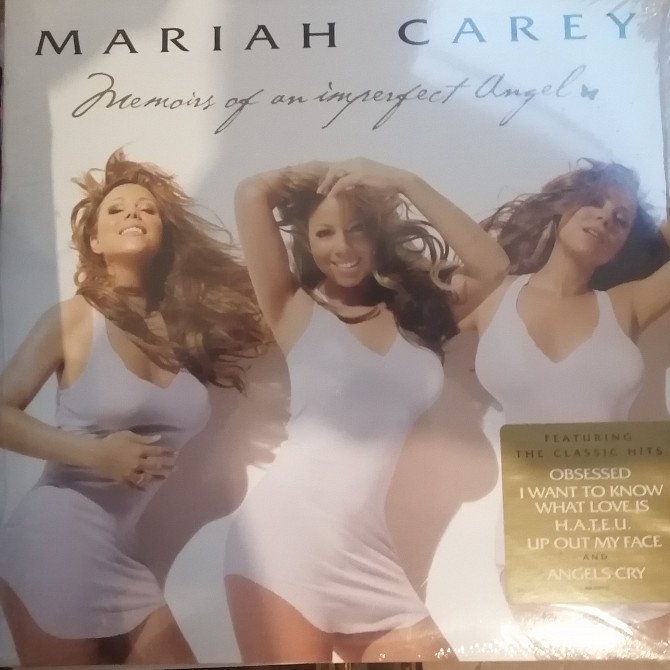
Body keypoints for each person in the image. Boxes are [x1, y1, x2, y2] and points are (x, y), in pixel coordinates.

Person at [223, 157, 510, 663]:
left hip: (370, 558)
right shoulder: (292, 307)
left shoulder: (417, 314)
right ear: (306, 242)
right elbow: (251, 191)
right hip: (281, 545)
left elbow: (492, 267)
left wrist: (405, 180)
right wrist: (320, 174)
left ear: (376, 235)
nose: (343, 247)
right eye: (325, 233)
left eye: (357, 229)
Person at [0, 150, 267, 665]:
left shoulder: (188, 330)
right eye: (117, 209)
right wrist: (96, 454)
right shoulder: (73, 320)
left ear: (162, 235)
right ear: (95, 242)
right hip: (55, 537)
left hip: (121, 550)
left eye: (147, 209)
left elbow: (279, 304)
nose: (134, 215)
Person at [460, 159, 670, 646]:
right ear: (562, 206)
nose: (605, 217)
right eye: (594, 201)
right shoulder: (491, 294)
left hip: (634, 530)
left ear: (622, 243)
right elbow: (408, 310)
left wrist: (651, 231)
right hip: (539, 535)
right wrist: (403, 181)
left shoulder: (628, 303)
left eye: (621, 219)